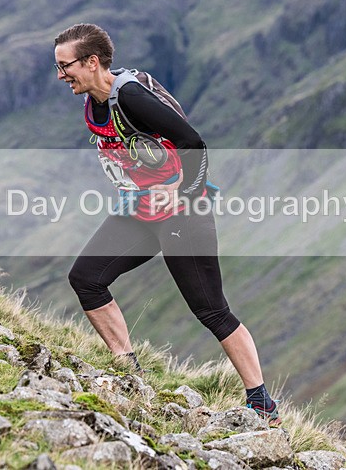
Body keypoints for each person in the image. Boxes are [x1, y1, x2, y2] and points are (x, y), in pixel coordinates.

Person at [53, 23, 279, 423]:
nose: (60, 75)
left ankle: (262, 404)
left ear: (91, 62)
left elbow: (194, 143)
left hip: (182, 212)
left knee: (210, 309)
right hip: (140, 210)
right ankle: (128, 373)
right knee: (86, 278)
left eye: (65, 65)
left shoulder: (132, 97)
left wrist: (182, 193)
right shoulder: (95, 100)